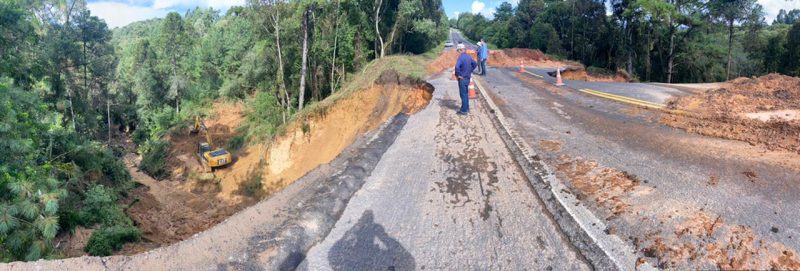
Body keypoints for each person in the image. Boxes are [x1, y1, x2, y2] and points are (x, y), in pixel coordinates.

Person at [454, 43, 477, 115]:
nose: (458, 52)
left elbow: (457, 67)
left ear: (461, 49)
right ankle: (466, 108)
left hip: (462, 79)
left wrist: (458, 75)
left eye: (458, 50)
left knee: (463, 94)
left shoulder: (461, 58)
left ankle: (463, 110)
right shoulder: (468, 56)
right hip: (468, 78)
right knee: (466, 94)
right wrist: (470, 70)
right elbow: (475, 64)